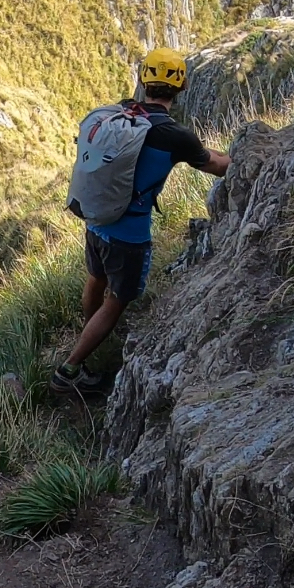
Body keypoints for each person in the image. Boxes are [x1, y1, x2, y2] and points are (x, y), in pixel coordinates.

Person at [50, 47, 230, 397]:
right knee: (117, 301)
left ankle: (90, 334)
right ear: (181, 86)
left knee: (96, 279)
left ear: (144, 79)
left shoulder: (121, 113)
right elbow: (218, 166)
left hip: (97, 219)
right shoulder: (175, 137)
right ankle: (68, 372)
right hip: (128, 234)